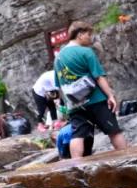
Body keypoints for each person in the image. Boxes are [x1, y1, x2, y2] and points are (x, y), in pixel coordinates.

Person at [53, 21, 128, 159]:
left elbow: (59, 85)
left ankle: (76, 167)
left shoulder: (58, 58)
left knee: (77, 135)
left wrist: (66, 106)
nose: (90, 38)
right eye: (88, 34)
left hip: (75, 105)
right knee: (114, 131)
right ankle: (128, 160)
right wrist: (110, 96)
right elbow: (99, 77)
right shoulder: (86, 52)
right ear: (80, 34)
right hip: (96, 100)